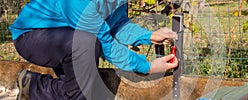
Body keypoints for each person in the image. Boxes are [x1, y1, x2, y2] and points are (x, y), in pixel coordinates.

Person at [9, 0, 178, 100]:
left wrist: (149, 36)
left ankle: (31, 85)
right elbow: (106, 44)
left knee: (86, 89)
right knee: (88, 45)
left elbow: (117, 25)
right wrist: (147, 67)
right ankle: (36, 87)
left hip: (66, 36)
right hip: (31, 36)